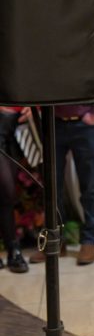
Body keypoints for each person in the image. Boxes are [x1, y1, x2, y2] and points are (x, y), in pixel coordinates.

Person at [29, 102, 94, 266]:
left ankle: (89, 240)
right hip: (53, 123)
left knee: (89, 186)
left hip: (85, 125)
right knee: (52, 186)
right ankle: (56, 241)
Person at [0, 106, 30, 273]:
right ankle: (13, 249)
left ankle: (13, 250)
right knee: (7, 189)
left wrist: (33, 107)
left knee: (7, 197)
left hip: (15, 125)